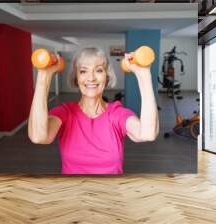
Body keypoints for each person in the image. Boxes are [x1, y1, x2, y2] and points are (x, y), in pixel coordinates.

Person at [28, 47, 159, 174]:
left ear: (107, 76)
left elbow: (147, 134)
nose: (91, 78)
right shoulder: (65, 113)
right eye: (83, 71)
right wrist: (44, 75)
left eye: (99, 70)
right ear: (76, 77)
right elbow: (38, 137)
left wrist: (144, 74)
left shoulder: (117, 114)